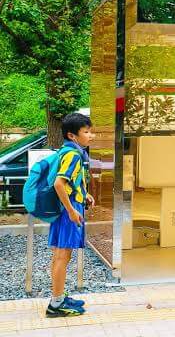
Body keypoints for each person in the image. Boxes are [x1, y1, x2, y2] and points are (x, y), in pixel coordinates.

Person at [46, 113, 95, 317]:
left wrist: (85, 194)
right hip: (68, 212)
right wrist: (72, 211)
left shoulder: (67, 151)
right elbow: (59, 184)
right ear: (72, 135)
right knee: (62, 256)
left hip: (64, 209)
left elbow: (69, 183)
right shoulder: (74, 155)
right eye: (86, 132)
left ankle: (58, 297)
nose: (91, 136)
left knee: (60, 255)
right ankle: (56, 305)